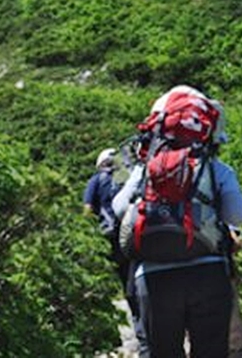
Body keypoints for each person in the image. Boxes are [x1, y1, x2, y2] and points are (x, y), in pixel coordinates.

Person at [113, 87, 242, 358]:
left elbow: (119, 209)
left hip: (152, 276)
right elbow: (237, 215)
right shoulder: (215, 168)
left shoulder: (146, 168)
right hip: (208, 273)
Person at [83, 148, 149, 356]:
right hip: (137, 234)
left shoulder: (95, 180)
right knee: (142, 279)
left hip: (112, 240)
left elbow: (87, 210)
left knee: (128, 287)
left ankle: (143, 337)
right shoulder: (129, 176)